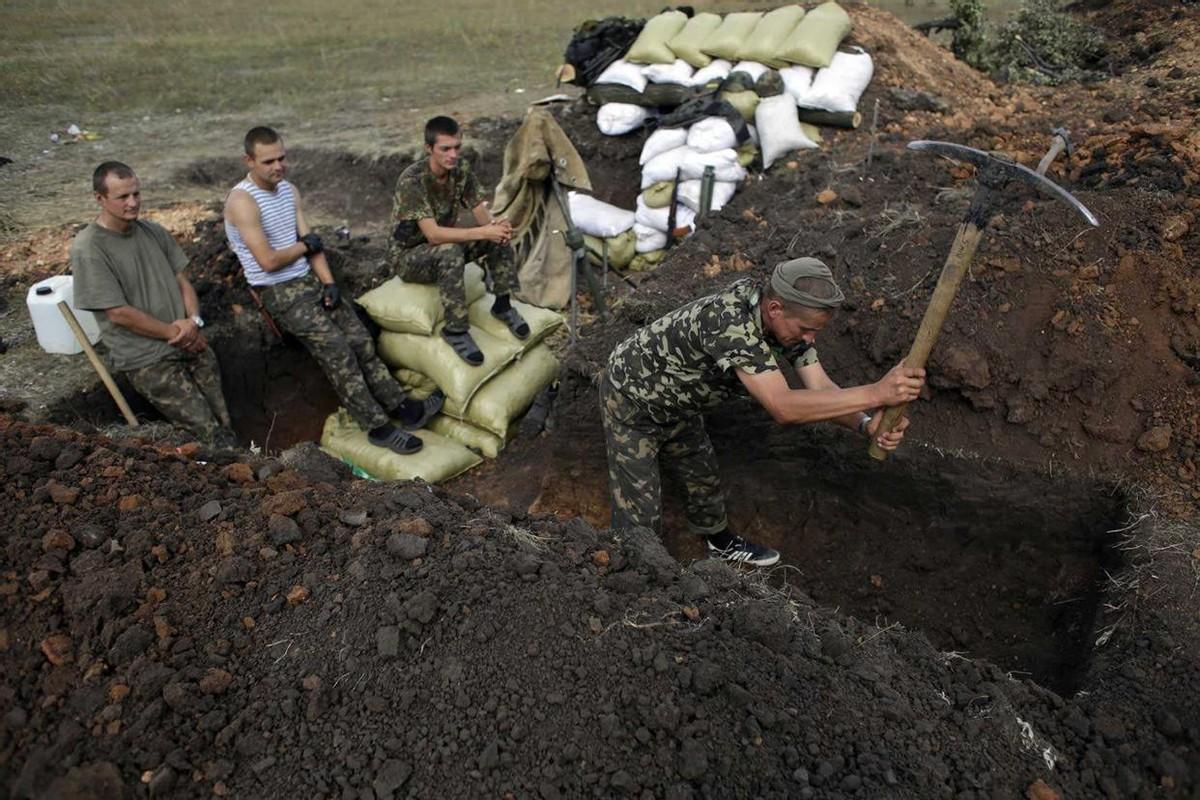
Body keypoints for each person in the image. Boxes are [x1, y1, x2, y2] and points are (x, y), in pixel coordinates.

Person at [600, 257, 926, 567]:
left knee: (702, 474)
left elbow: (822, 389)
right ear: (774, 309)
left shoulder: (781, 318)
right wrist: (875, 392)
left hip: (681, 403)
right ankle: (635, 571)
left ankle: (719, 543)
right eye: (806, 329)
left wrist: (866, 425)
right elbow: (782, 407)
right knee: (639, 518)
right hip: (634, 400)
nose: (810, 339)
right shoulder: (729, 322)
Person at [224, 126, 441, 455]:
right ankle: (377, 427)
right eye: (268, 161)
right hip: (278, 290)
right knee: (338, 352)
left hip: (309, 279)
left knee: (361, 340)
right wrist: (303, 247)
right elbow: (268, 260)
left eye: (282, 158)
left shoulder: (288, 191)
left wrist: (328, 282)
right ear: (249, 160)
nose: (278, 166)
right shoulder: (242, 202)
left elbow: (313, 243)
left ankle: (404, 408)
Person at [72, 161, 237, 447]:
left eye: (136, 194)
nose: (133, 203)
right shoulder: (89, 248)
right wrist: (178, 334)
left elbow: (182, 281)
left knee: (224, 420)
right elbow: (119, 313)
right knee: (206, 432)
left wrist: (194, 321)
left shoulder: (152, 231)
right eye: (122, 197)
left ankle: (242, 464)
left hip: (190, 340)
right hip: (148, 358)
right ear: (99, 198)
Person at [389, 115, 529, 366]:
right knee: (450, 251)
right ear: (428, 149)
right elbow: (433, 235)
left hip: (442, 245)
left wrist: (495, 228)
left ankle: (503, 304)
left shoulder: (460, 170)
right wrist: (482, 232)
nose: (452, 155)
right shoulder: (412, 181)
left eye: (457, 147)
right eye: (445, 149)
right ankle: (455, 329)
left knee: (497, 237)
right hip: (409, 257)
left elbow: (478, 210)